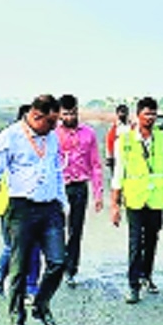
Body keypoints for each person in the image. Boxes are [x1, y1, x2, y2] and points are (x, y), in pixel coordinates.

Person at [0, 95, 67, 325]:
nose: (55, 127)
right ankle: (17, 318)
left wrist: (63, 201)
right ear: (36, 116)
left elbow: (57, 170)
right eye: (51, 122)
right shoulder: (10, 137)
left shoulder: (52, 138)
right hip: (21, 209)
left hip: (50, 208)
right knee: (18, 268)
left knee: (58, 262)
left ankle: (41, 305)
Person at [110, 97, 163, 304]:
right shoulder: (125, 140)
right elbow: (118, 172)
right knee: (134, 241)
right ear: (137, 115)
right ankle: (133, 285)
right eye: (147, 113)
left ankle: (146, 275)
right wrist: (115, 204)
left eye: (153, 114)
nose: (150, 117)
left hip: (156, 199)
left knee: (151, 239)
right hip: (134, 198)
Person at [0, 104, 42, 298]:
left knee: (35, 247)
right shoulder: (9, 141)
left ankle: (31, 286)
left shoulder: (43, 143)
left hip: (37, 204)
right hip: (11, 205)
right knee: (13, 246)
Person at [56, 94, 104, 287]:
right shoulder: (53, 134)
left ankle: (71, 269)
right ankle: (56, 266)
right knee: (56, 229)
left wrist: (98, 194)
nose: (70, 117)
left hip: (79, 188)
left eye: (73, 113)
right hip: (59, 188)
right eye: (66, 114)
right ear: (60, 114)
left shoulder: (88, 134)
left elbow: (95, 165)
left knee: (75, 231)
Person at [105, 104, 131, 173]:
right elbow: (109, 142)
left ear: (127, 113)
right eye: (121, 112)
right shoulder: (114, 128)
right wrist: (109, 157)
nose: (122, 114)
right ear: (117, 114)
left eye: (124, 112)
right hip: (117, 158)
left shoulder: (131, 127)